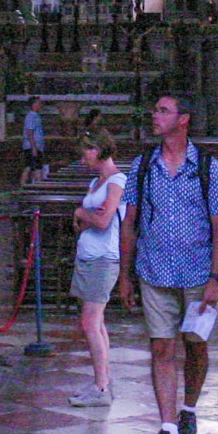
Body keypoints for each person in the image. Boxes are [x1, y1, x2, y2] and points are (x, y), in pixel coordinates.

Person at [117, 93, 218, 434]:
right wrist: (125, 274)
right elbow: (130, 222)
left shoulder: (207, 167)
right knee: (161, 348)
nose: (155, 116)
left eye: (163, 111)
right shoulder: (144, 164)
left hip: (198, 273)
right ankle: (167, 430)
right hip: (154, 270)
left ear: (183, 119)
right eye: (155, 110)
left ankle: (189, 410)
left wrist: (216, 278)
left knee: (196, 345)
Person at [68, 129, 125, 407]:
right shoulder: (95, 182)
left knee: (89, 322)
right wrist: (84, 216)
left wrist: (82, 214)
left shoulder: (117, 181)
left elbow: (103, 222)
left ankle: (101, 389)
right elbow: (82, 222)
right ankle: (102, 381)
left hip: (104, 257)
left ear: (99, 150)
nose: (82, 158)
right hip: (87, 254)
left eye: (86, 152)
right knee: (96, 322)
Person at [21, 96, 49, 185]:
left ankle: (37, 186)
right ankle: (24, 186)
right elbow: (30, 132)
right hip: (32, 147)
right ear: (34, 104)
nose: (41, 105)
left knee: (36, 168)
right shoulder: (31, 116)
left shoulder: (36, 116)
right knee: (30, 167)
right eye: (39, 103)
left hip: (37, 147)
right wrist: (33, 147)